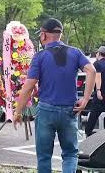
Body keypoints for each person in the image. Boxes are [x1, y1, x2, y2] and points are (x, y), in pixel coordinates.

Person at [13, 18, 96, 173]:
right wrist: (85, 99)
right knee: (70, 154)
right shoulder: (75, 52)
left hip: (46, 111)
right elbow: (91, 70)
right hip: (69, 110)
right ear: (60, 35)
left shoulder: (40, 56)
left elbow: (28, 88)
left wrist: (18, 112)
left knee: (44, 156)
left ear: (44, 35)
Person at [85, 46, 105, 137]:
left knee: (94, 114)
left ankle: (88, 133)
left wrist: (98, 90)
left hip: (100, 94)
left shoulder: (97, 64)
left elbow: (98, 76)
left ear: (99, 53)